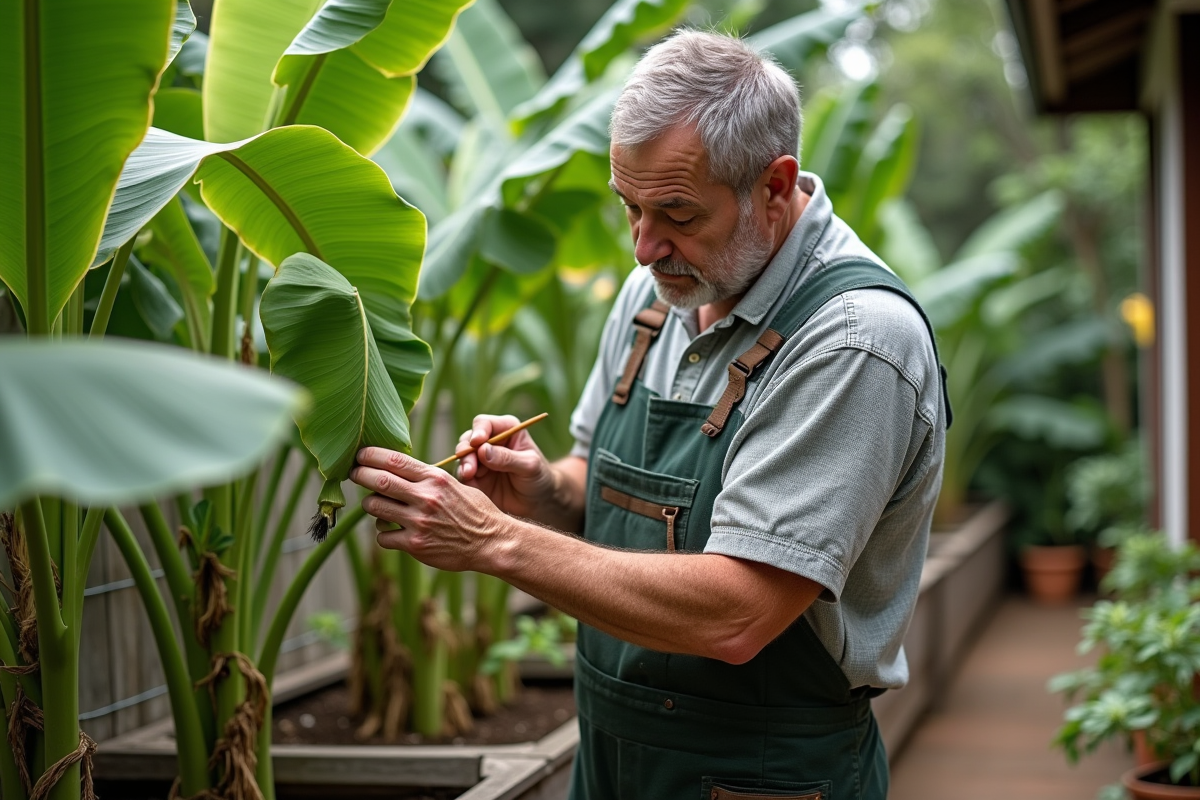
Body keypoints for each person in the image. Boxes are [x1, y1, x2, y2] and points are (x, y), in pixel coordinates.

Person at [351, 29, 948, 800]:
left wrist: (493, 541)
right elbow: (593, 481)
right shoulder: (658, 295)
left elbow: (740, 614)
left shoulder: (853, 341)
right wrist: (541, 494)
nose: (641, 247)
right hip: (609, 756)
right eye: (628, 206)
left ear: (775, 185)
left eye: (675, 212)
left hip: (761, 774)